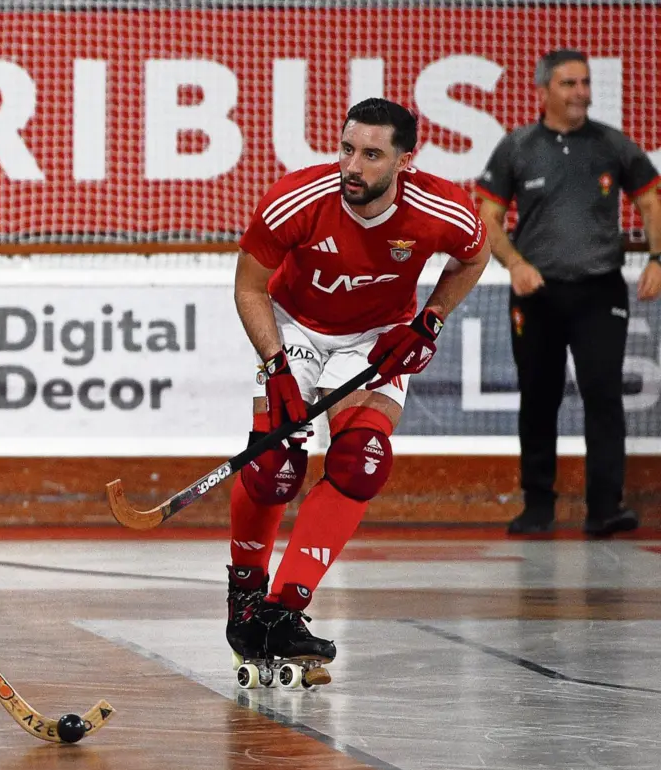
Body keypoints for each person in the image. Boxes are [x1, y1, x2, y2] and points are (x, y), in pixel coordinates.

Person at [228, 98, 491, 668]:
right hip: (295, 325)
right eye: (348, 149)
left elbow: (475, 256)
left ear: (404, 162)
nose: (353, 165)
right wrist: (276, 367)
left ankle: (283, 609)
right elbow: (249, 287)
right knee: (275, 466)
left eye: (372, 155)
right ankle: (245, 599)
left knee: (359, 461)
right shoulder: (296, 198)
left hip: (377, 334)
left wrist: (432, 317)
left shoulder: (442, 209)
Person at [475, 49, 661, 537]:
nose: (581, 92)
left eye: (584, 82)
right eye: (568, 84)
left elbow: (649, 198)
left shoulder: (612, 145)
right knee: (539, 397)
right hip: (537, 295)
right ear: (542, 92)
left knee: (603, 396)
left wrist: (659, 260)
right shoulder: (517, 147)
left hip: (601, 291)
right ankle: (538, 505)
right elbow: (487, 218)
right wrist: (514, 263)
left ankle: (604, 509)